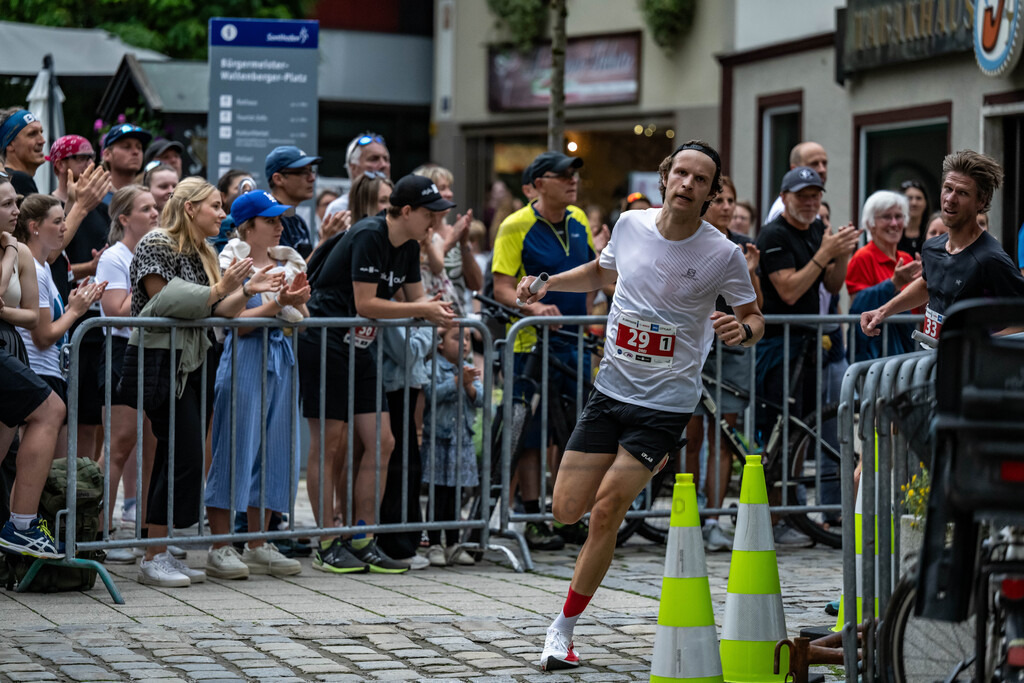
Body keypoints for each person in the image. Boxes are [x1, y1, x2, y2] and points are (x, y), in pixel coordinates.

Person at [516, 141, 763, 671]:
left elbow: (754, 316)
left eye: (701, 179)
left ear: (711, 193)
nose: (688, 184)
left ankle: (563, 629)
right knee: (565, 511)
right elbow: (601, 272)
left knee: (607, 510)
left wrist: (741, 330)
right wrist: (546, 283)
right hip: (610, 393)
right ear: (665, 177)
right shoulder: (630, 225)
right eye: (681, 173)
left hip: (665, 407)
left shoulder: (722, 253)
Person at [119, 177, 284, 588]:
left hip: (195, 360)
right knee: (183, 453)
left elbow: (222, 309)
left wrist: (247, 289)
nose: (223, 215)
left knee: (179, 454)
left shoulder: (205, 250)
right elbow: (162, 302)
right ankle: (153, 554)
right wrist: (222, 289)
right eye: (215, 206)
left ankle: (159, 550)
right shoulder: (157, 243)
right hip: (163, 359)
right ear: (190, 208)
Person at [299, 174, 455, 574]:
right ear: (407, 211)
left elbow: (417, 298)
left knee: (383, 441)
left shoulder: (410, 245)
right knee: (329, 444)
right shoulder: (370, 234)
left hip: (361, 345)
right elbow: (366, 303)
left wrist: (437, 309)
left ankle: (362, 537)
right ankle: (326, 542)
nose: (435, 222)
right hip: (327, 340)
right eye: (430, 214)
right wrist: (424, 310)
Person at [204, 190, 310, 580]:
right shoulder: (232, 262)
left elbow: (301, 315)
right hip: (246, 357)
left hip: (280, 357)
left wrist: (293, 300)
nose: (279, 226)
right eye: (270, 220)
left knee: (276, 451)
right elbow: (236, 322)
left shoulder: (286, 261)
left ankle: (258, 541)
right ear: (247, 227)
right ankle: (220, 545)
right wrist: (280, 303)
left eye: (279, 219)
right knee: (234, 448)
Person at [491, 150, 594, 551]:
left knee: (574, 433)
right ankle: (533, 518)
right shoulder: (515, 224)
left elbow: (590, 277)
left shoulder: (579, 219)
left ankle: (566, 513)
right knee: (530, 435)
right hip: (529, 346)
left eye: (575, 175)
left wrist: (589, 322)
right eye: (563, 176)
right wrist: (533, 308)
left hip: (574, 343)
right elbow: (501, 288)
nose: (573, 181)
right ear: (538, 184)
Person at [754, 167, 860, 541]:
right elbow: (789, 291)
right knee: (777, 431)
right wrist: (825, 252)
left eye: (815, 195)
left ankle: (791, 512)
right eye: (802, 195)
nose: (810, 202)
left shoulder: (817, 229)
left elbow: (831, 283)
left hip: (810, 345)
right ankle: (774, 516)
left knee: (800, 429)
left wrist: (840, 255)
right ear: (784, 198)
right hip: (778, 345)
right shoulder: (774, 235)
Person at [862, 150, 1024, 341]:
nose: (950, 199)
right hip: (933, 353)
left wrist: (979, 347)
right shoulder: (932, 247)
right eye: (948, 188)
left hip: (969, 359)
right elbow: (927, 285)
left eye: (962, 193)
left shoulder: (991, 257)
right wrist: (882, 312)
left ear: (981, 201)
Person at [683, 175, 761, 552]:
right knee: (690, 436)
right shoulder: (689, 240)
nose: (727, 207)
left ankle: (713, 518)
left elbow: (757, 310)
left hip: (730, 347)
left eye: (732, 200)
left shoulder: (743, 246)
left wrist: (751, 271)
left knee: (723, 437)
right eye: (720, 200)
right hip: (692, 346)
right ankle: (687, 516)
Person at [14, 194, 107, 461]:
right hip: (39, 372)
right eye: (57, 222)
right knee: (36, 471)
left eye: (64, 220)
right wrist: (75, 311)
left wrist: (75, 304)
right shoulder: (35, 269)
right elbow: (43, 336)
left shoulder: (42, 267)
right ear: (34, 227)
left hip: (49, 373)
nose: (65, 228)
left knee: (52, 471)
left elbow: (49, 324)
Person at [94, 185, 160, 562]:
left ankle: (147, 535)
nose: (155, 213)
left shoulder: (155, 252)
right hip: (122, 351)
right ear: (124, 218)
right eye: (146, 208)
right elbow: (116, 310)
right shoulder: (113, 256)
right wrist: (156, 288)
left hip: (152, 351)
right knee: (118, 445)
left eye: (155, 207)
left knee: (152, 446)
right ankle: (99, 532)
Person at [422, 326, 483, 567]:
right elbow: (431, 394)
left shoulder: (468, 368)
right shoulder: (433, 367)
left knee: (456, 493)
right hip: (440, 439)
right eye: (458, 338)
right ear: (440, 343)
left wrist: (468, 386)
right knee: (439, 492)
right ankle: (434, 542)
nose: (465, 343)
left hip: (461, 440)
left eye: (467, 338)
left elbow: (480, 398)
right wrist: (457, 382)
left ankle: (453, 543)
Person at [846, 191, 922, 361]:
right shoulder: (862, 257)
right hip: (877, 357)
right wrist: (893, 284)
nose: (894, 223)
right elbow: (858, 305)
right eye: (887, 217)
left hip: (909, 351)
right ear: (870, 223)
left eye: (898, 216)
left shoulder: (906, 259)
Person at [413, 164, 483, 315]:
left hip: (457, 320)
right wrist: (449, 243)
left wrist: (463, 244)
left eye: (449, 188)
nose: (449, 194)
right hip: (426, 321)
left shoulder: (456, 232)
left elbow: (476, 284)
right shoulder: (414, 235)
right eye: (442, 188)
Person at [265, 145, 322, 258]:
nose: (312, 178)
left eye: (311, 171)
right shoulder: (268, 219)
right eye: (303, 172)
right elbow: (286, 269)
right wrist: (324, 242)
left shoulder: (298, 221)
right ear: (278, 179)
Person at [325, 132, 391, 216]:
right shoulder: (339, 210)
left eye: (386, 159)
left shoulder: (400, 207)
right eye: (374, 159)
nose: (383, 165)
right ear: (353, 168)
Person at [766, 141, 829, 221]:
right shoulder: (786, 210)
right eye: (814, 164)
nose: (822, 170)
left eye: (824, 163)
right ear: (794, 169)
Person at [1, 109, 45, 195]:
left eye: (41, 132)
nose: (42, 141)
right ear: (10, 144)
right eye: (32, 134)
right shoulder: (19, 180)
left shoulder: (6, 178)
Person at [101, 123, 152, 198]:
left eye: (139, 147)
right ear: (107, 154)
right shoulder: (95, 196)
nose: (136, 152)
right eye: (126, 147)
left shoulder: (150, 195)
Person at [212, 169, 255, 252]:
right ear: (223, 196)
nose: (247, 192)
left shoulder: (260, 220)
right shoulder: (217, 225)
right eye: (240, 187)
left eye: (251, 187)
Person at [898, 180, 930, 257]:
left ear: (926, 203)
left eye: (918, 198)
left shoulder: (933, 232)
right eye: (909, 198)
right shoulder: (893, 233)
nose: (914, 203)